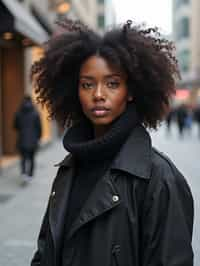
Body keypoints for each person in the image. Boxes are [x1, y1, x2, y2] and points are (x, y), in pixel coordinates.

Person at [30, 19, 194, 266]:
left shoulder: (159, 178)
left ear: (130, 91)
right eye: (87, 84)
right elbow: (45, 253)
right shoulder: (68, 169)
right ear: (75, 91)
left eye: (112, 83)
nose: (98, 94)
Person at [14, 95, 42, 179]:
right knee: (32, 158)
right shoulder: (35, 113)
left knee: (23, 158)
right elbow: (39, 128)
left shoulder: (18, 113)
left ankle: (23, 173)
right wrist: (38, 137)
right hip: (33, 140)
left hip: (22, 139)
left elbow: (15, 126)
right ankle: (30, 174)